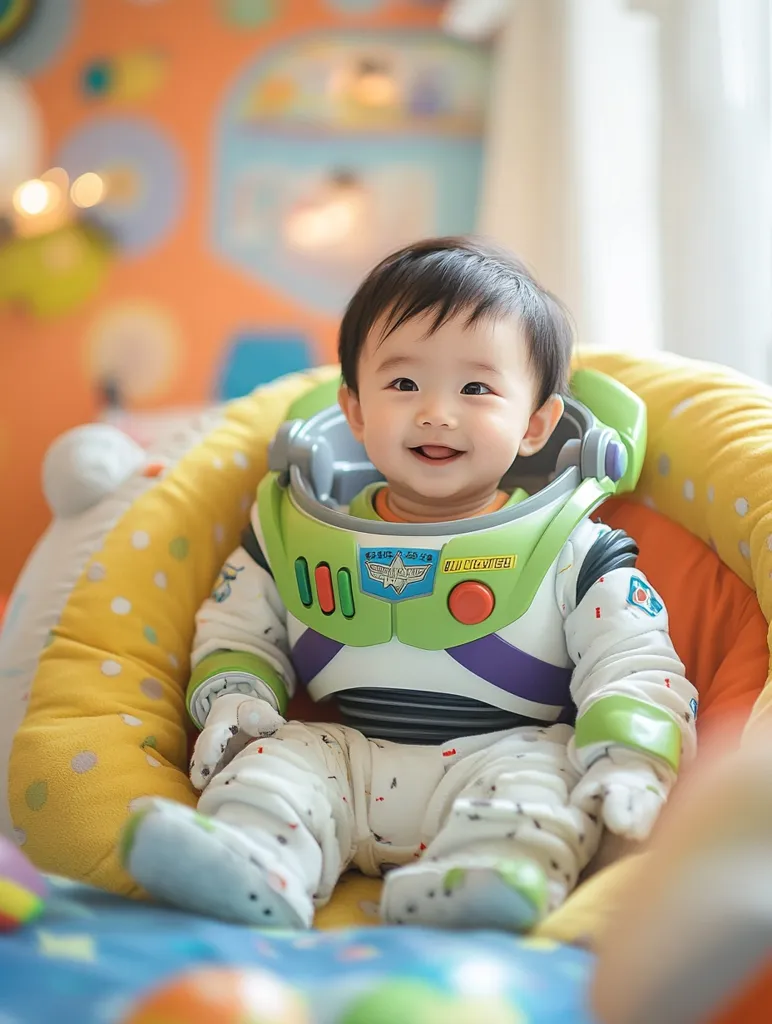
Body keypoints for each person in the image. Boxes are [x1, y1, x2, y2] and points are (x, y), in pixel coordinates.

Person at [121, 237, 698, 932]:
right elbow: (238, 627)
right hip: (346, 753)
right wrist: (234, 699)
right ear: (355, 412)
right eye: (403, 384)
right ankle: (251, 863)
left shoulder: (574, 548)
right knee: (276, 766)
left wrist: (631, 757)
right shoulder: (292, 531)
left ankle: (484, 884)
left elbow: (632, 661)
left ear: (537, 425)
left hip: (506, 753)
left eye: (477, 388)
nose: (436, 412)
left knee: (548, 784)